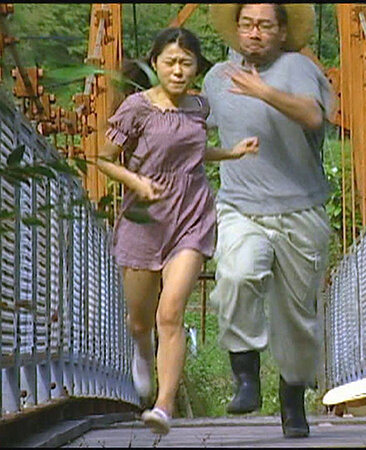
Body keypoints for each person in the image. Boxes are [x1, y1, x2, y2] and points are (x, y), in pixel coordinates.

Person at [95, 27, 260, 435]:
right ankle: (141, 351)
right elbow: (103, 158)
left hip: (191, 215)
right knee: (140, 321)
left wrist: (231, 153)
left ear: (196, 68)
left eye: (187, 63)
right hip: (145, 219)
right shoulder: (136, 108)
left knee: (170, 312)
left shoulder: (198, 107)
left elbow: (192, 153)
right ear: (155, 64)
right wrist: (135, 182)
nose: (178, 70)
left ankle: (164, 406)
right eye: (170, 62)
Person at [203, 4, 334, 439]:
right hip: (240, 206)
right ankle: (246, 376)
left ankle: (292, 400)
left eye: (264, 25)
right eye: (246, 24)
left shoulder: (298, 68)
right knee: (236, 275)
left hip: (300, 209)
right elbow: (193, 130)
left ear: (281, 31)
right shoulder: (216, 78)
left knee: (296, 320)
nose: (254, 33)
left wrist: (263, 92)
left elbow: (312, 116)